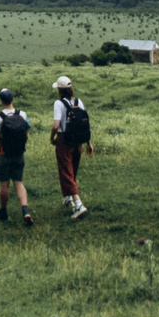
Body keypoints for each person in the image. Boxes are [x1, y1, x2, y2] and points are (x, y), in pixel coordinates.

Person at [50, 74, 95, 219]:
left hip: (64, 139)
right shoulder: (79, 101)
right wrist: (88, 143)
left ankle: (78, 203)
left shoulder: (58, 104)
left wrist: (52, 138)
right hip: (79, 140)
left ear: (60, 90)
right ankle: (68, 198)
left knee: (65, 170)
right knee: (72, 169)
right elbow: (84, 123)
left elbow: (56, 125)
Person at [0, 88, 34, 226]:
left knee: (4, 184)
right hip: (19, 153)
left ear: (1, 101)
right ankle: (25, 210)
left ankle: (3, 211)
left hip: (3, 153)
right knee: (18, 182)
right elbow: (26, 134)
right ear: (12, 99)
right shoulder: (22, 114)